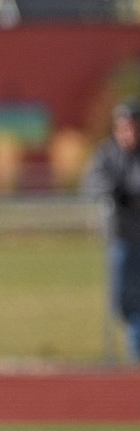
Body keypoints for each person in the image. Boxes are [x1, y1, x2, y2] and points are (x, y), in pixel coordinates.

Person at [83, 98, 140, 362]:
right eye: (124, 127)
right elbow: (91, 182)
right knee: (122, 296)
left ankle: (135, 348)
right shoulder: (107, 153)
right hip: (122, 237)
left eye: (134, 127)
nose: (129, 133)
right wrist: (113, 190)